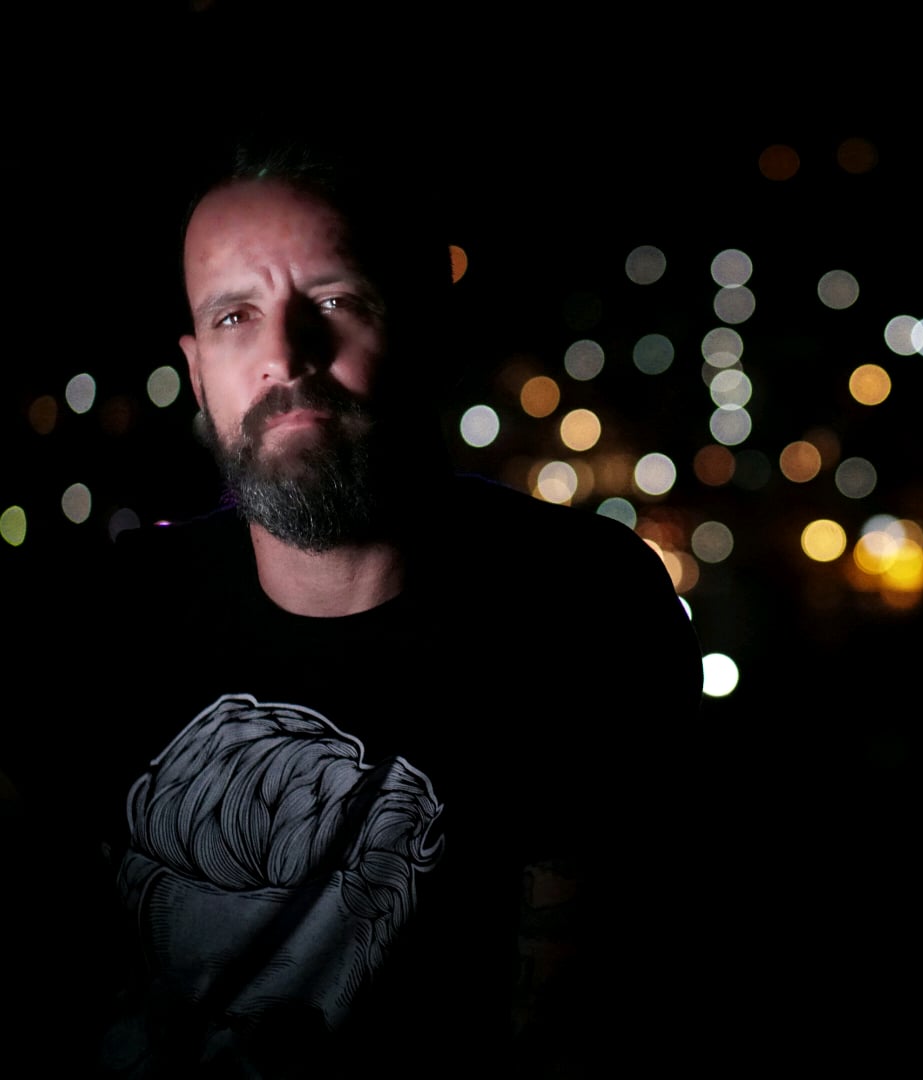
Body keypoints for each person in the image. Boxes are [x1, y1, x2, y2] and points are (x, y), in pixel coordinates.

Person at [5, 137, 703, 1078]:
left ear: (424, 328)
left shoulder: (583, 606)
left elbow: (602, 1005)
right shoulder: (102, 624)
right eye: (234, 317)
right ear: (197, 369)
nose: (284, 357)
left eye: (334, 301)